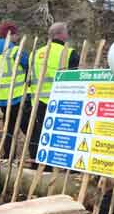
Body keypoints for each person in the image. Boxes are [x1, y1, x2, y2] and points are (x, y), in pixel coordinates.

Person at [28, 22, 80, 167]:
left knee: (41, 133)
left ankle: (40, 164)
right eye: (66, 32)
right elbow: (76, 81)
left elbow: (29, 78)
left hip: (38, 101)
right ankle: (60, 163)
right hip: (60, 102)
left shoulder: (36, 53)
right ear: (60, 34)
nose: (68, 35)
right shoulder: (69, 53)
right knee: (62, 134)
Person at [0, 21, 31, 159]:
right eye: (15, 34)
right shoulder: (14, 50)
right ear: (10, 34)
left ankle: (9, 156)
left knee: (9, 129)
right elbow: (30, 66)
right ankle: (36, 159)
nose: (18, 37)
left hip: (3, 99)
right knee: (29, 129)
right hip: (18, 96)